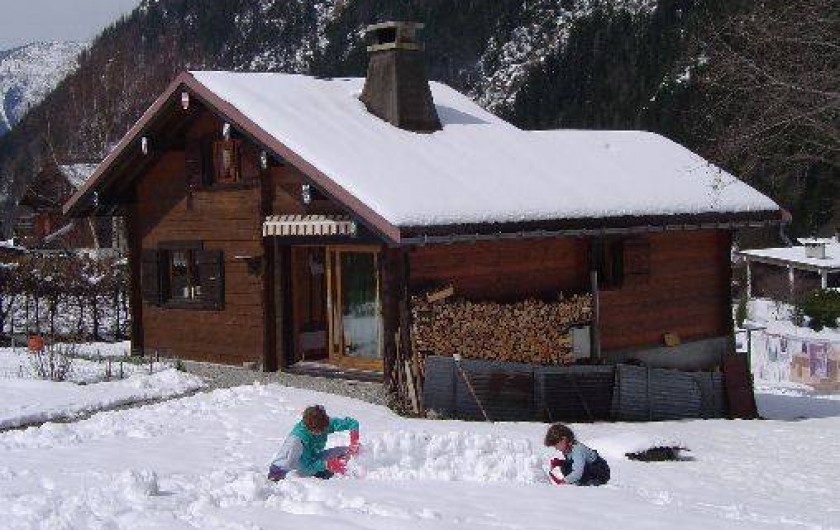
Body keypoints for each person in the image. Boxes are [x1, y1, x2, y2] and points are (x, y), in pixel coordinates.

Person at [267, 405, 360, 481]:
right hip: (300, 468)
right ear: (309, 427)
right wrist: (327, 464)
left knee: (348, 451)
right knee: (312, 469)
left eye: (324, 429)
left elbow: (352, 423)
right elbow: (302, 468)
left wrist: (354, 440)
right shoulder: (297, 440)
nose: (322, 432)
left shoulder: (324, 424)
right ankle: (324, 474)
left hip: (314, 458)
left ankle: (338, 470)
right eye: (319, 431)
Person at [544, 423, 610, 486]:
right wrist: (560, 462)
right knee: (565, 467)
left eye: (556, 445)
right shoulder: (567, 449)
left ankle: (589, 484)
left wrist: (563, 481)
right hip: (587, 469)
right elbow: (574, 463)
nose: (556, 448)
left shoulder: (578, 450)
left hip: (599, 471)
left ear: (564, 440)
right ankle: (578, 482)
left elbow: (578, 472)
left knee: (577, 471)